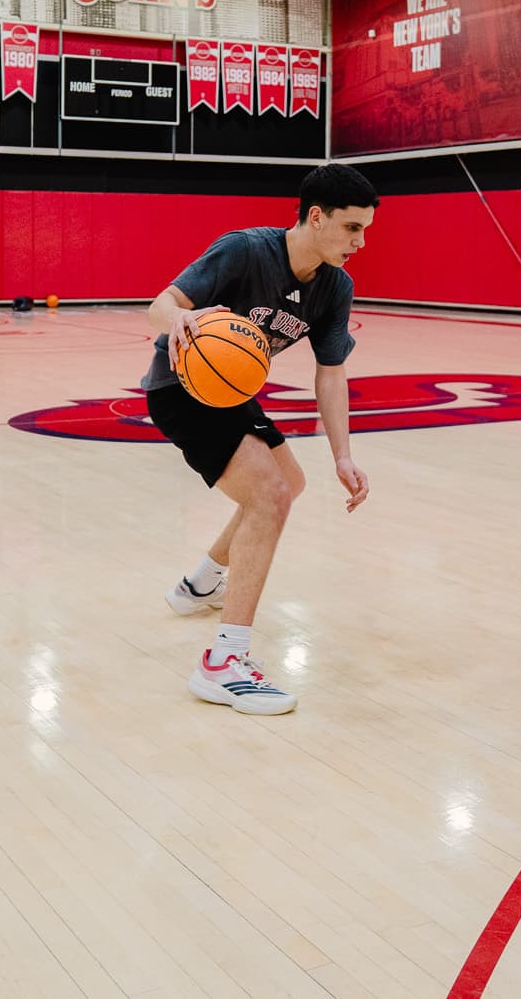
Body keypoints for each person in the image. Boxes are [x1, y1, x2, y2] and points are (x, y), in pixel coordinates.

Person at [147, 163, 378, 715]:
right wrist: (181, 320)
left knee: (289, 484)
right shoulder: (245, 251)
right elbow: (161, 303)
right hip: (180, 388)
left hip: (227, 394)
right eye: (351, 228)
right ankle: (224, 663)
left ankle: (200, 585)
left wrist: (342, 454)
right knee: (268, 497)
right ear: (316, 217)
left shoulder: (334, 287)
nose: (360, 242)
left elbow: (330, 372)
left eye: (366, 229)